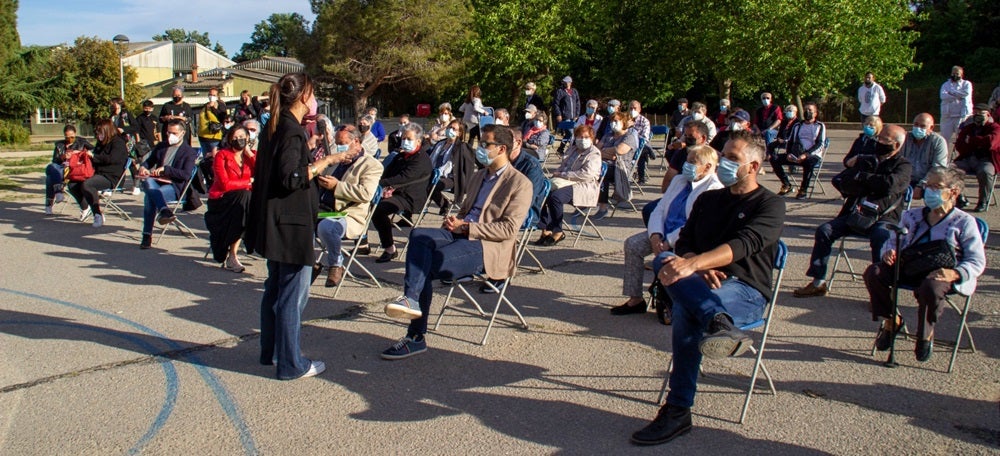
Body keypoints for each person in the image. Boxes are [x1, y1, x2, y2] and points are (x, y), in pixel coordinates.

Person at [630, 130, 785, 446]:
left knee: (687, 310)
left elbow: (744, 244)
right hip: (700, 282)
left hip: (745, 289)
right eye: (723, 154)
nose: (723, 162)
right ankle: (718, 323)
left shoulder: (770, 204)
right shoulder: (708, 199)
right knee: (665, 260)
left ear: (753, 167)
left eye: (732, 158)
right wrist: (694, 264)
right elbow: (686, 242)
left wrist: (693, 265)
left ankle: (678, 409)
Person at [380, 124, 532, 359]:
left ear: (501, 149)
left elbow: (509, 229)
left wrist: (467, 226)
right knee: (418, 234)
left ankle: (415, 336)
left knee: (425, 267)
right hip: (460, 232)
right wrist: (456, 220)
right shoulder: (480, 175)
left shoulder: (519, 183)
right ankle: (411, 300)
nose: (480, 148)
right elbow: (466, 210)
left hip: (486, 245)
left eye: (485, 144)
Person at [246, 73, 349, 380]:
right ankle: (292, 363)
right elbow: (291, 177)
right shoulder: (290, 131)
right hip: (290, 225)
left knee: (276, 289)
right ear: (305, 97)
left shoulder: (275, 127)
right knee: (292, 294)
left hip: (276, 221)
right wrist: (325, 161)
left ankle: (272, 352)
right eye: (313, 94)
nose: (315, 101)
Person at [863, 166, 985, 362]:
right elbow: (893, 239)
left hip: (941, 271)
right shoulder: (912, 216)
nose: (929, 191)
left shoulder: (964, 222)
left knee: (930, 287)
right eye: (928, 186)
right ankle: (891, 321)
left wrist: (955, 274)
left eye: (936, 187)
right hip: (910, 264)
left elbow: (977, 260)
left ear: (953, 192)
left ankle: (925, 334)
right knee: (874, 272)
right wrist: (890, 251)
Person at [792, 124, 912, 297]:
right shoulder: (867, 159)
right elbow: (844, 181)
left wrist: (863, 178)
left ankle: (881, 290)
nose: (879, 141)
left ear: (897, 145)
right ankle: (818, 282)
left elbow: (889, 185)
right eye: (879, 138)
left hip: (883, 217)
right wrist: (868, 182)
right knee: (824, 230)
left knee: (881, 237)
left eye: (885, 139)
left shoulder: (904, 166)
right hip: (856, 213)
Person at [612, 145, 723, 317]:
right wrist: (655, 235)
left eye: (693, 162)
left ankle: (671, 299)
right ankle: (635, 300)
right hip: (663, 232)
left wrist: (667, 241)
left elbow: (691, 223)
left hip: (687, 239)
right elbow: (660, 209)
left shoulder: (713, 188)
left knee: (667, 256)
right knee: (633, 245)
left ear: (708, 167)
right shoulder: (679, 180)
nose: (687, 165)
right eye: (687, 161)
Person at [315, 125, 384, 287]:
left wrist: (336, 186)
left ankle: (336, 263)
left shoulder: (371, 165)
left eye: (343, 143)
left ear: (356, 142)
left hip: (348, 214)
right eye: (337, 143)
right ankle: (310, 264)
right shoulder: (335, 160)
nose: (340, 147)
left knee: (327, 227)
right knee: (295, 222)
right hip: (324, 209)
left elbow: (366, 193)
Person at [368, 122, 433, 262]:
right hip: (396, 193)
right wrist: (381, 185)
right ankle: (361, 242)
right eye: (403, 138)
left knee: (378, 211)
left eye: (409, 139)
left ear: (418, 141)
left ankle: (390, 249)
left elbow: (404, 178)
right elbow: (387, 173)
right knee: (364, 202)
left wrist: (384, 186)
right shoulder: (401, 156)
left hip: (410, 197)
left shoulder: (421, 159)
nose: (405, 141)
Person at [136, 120, 200, 248]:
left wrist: (167, 169)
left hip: (174, 186)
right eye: (168, 132)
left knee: (150, 197)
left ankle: (146, 235)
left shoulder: (188, 152)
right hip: (156, 182)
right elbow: (148, 162)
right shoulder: (161, 146)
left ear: (183, 133)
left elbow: (186, 175)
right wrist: (143, 167)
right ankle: (164, 210)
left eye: (174, 133)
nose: (171, 135)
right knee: (148, 182)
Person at [535, 124, 601, 246]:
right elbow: (563, 165)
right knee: (541, 192)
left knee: (556, 197)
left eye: (586, 137)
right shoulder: (572, 149)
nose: (583, 139)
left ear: (592, 138)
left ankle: (558, 231)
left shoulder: (594, 153)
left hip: (584, 185)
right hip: (565, 181)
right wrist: (557, 174)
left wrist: (563, 174)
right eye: (580, 136)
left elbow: (586, 174)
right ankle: (546, 229)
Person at [205, 126, 256, 272]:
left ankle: (233, 254)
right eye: (234, 137)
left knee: (245, 202)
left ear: (247, 139)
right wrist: (248, 182)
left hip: (243, 202)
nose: (238, 140)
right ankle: (232, 255)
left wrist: (249, 154)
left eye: (241, 137)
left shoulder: (251, 156)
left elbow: (263, 173)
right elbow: (224, 184)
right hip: (222, 200)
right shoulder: (222, 155)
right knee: (244, 199)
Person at [66, 120, 129, 228]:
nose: (98, 136)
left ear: (107, 131)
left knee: (88, 184)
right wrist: (82, 154)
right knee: (72, 184)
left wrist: (93, 156)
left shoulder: (118, 143)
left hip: (111, 176)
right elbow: (94, 154)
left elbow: (112, 159)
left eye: (100, 133)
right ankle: (86, 207)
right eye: (97, 133)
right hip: (97, 173)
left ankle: (98, 214)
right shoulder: (101, 142)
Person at [769, 101, 826, 199]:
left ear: (815, 113)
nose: (807, 112)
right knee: (774, 159)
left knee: (808, 162)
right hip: (796, 154)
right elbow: (790, 141)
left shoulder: (819, 126)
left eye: (810, 110)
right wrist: (789, 153)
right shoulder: (798, 125)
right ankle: (787, 184)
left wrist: (806, 154)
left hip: (812, 155)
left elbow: (820, 144)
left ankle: (803, 189)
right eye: (805, 110)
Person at [953, 103, 1000, 212]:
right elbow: (959, 145)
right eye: (975, 113)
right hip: (968, 158)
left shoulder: (995, 128)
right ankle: (960, 197)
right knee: (950, 169)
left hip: (987, 160)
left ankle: (983, 201)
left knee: (985, 172)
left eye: (981, 113)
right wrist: (979, 142)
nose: (977, 115)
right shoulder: (968, 128)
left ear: (988, 115)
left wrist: (972, 140)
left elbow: (991, 143)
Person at [594, 112, 638, 219]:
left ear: (623, 122)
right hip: (604, 164)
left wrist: (603, 151)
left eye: (616, 121)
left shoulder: (629, 136)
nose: (613, 124)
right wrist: (609, 153)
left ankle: (603, 207)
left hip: (620, 169)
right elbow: (595, 150)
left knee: (600, 174)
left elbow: (620, 150)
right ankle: (584, 201)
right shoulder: (608, 135)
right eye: (611, 121)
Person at [427, 120, 476, 215]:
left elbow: (469, 165)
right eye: (449, 127)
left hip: (451, 178)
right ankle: (407, 213)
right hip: (433, 173)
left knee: (432, 186)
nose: (450, 130)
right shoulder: (440, 143)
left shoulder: (462, 147)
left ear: (459, 133)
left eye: (454, 129)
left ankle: (444, 204)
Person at [44, 125, 92, 214]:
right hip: (61, 168)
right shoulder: (60, 145)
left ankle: (50, 202)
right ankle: (57, 193)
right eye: (67, 137)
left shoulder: (82, 142)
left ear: (75, 134)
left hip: (74, 169)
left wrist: (79, 153)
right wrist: (62, 157)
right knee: (52, 167)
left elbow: (92, 152)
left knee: (50, 177)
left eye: (72, 137)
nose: (70, 139)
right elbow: (55, 160)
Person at [901, 113, 948, 198]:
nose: (918, 128)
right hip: (906, 179)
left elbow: (938, 168)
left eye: (922, 126)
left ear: (931, 128)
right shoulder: (904, 138)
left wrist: (922, 185)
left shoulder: (938, 142)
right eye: (916, 125)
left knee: (939, 189)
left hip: (928, 180)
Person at [939, 66, 974, 149]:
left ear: (961, 74)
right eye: (953, 73)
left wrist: (951, 92)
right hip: (947, 116)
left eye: (957, 73)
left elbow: (966, 94)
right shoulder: (945, 85)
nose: (954, 75)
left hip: (962, 116)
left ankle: (963, 158)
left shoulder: (966, 84)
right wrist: (958, 96)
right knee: (944, 140)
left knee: (962, 138)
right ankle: (944, 159)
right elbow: (943, 96)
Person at [552, 76, 580, 154]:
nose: (565, 83)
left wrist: (577, 114)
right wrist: (558, 114)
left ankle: (561, 148)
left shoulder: (574, 91)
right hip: (565, 116)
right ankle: (572, 150)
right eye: (564, 82)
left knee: (568, 134)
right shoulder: (560, 91)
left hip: (573, 116)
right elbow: (556, 104)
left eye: (567, 82)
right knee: (571, 133)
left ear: (570, 83)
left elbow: (578, 103)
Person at [629, 100, 654, 184]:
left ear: (639, 109)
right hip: (626, 144)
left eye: (635, 108)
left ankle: (641, 177)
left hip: (639, 144)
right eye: (631, 108)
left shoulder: (645, 121)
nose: (632, 110)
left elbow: (644, 137)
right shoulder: (625, 119)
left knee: (642, 151)